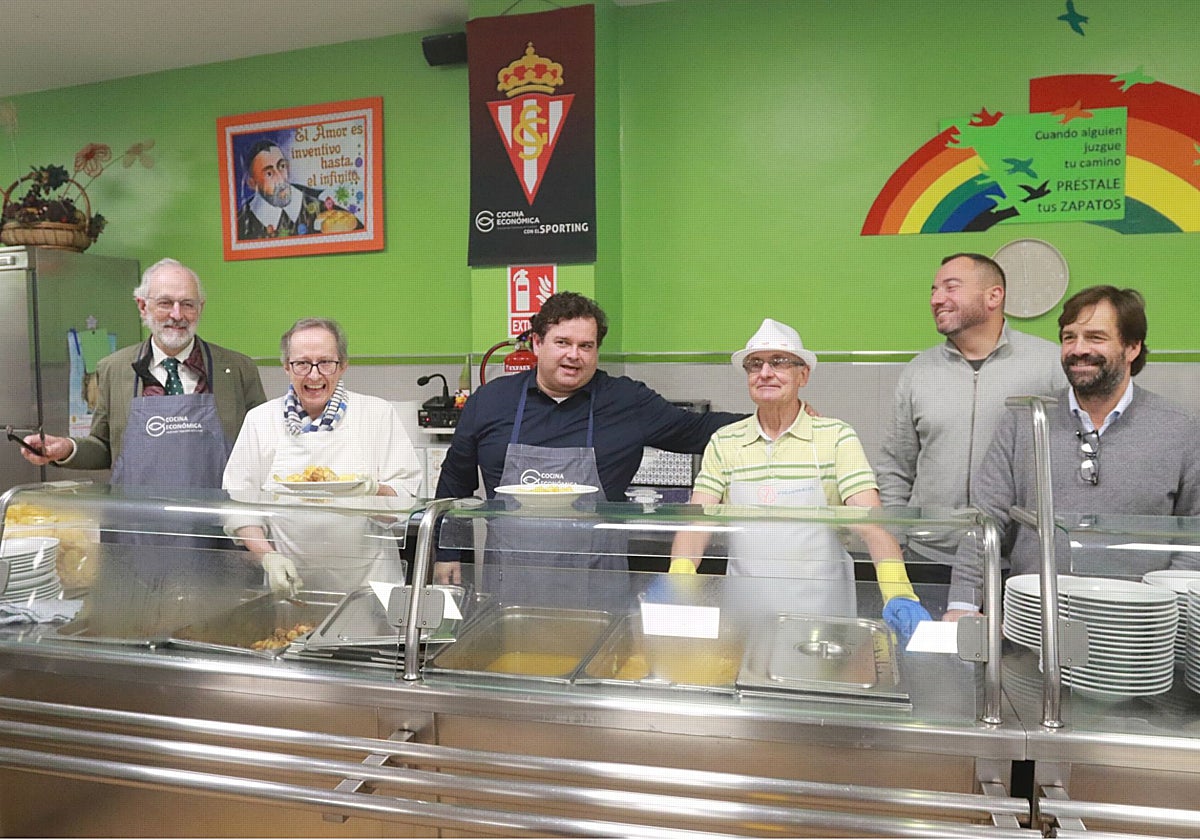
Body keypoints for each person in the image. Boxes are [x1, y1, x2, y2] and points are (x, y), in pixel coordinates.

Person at [433, 291, 743, 594]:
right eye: (563, 342)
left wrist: (775, 416)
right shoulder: (491, 401)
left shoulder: (625, 401)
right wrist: (446, 554)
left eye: (586, 346)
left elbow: (699, 430)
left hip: (598, 587)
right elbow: (454, 483)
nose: (574, 355)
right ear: (537, 344)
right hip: (510, 585)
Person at [946, 286, 1200, 618]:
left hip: (1139, 629)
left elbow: (1194, 534)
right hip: (1034, 623)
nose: (1078, 349)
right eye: (1069, 337)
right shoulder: (1024, 421)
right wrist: (962, 605)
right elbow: (984, 524)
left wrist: (1170, 609)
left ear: (1132, 347)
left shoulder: (1179, 428)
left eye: (1095, 338)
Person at [668, 319, 931, 637]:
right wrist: (677, 580)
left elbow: (871, 526)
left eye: (778, 362)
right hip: (745, 617)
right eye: (755, 364)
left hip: (822, 621)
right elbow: (698, 525)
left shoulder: (836, 437)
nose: (765, 372)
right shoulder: (724, 442)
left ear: (803, 374)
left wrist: (899, 592)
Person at [875, 253, 1066, 587]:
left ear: (994, 296)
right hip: (928, 558)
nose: (936, 299)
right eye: (934, 290)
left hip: (1016, 564)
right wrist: (896, 540)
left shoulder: (1050, 365)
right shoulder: (918, 372)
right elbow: (896, 467)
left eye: (951, 287)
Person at [20, 258, 266, 490]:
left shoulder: (237, 370)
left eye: (188, 304)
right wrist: (66, 448)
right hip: (140, 527)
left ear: (200, 308)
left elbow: (263, 446)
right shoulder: (113, 370)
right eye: (165, 303)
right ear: (142, 306)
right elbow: (104, 447)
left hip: (218, 524)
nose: (177, 315)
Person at [223, 318, 423, 594]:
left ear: (343, 365)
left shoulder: (377, 414)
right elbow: (239, 506)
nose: (314, 375)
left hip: (368, 585)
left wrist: (373, 491)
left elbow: (406, 503)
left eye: (326, 363)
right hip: (291, 583)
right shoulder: (260, 420)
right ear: (286, 367)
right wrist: (268, 557)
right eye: (302, 364)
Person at [236, 140, 363, 240]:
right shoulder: (241, 225)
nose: (281, 179)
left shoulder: (319, 206)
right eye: (269, 173)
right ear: (252, 184)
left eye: (282, 166)